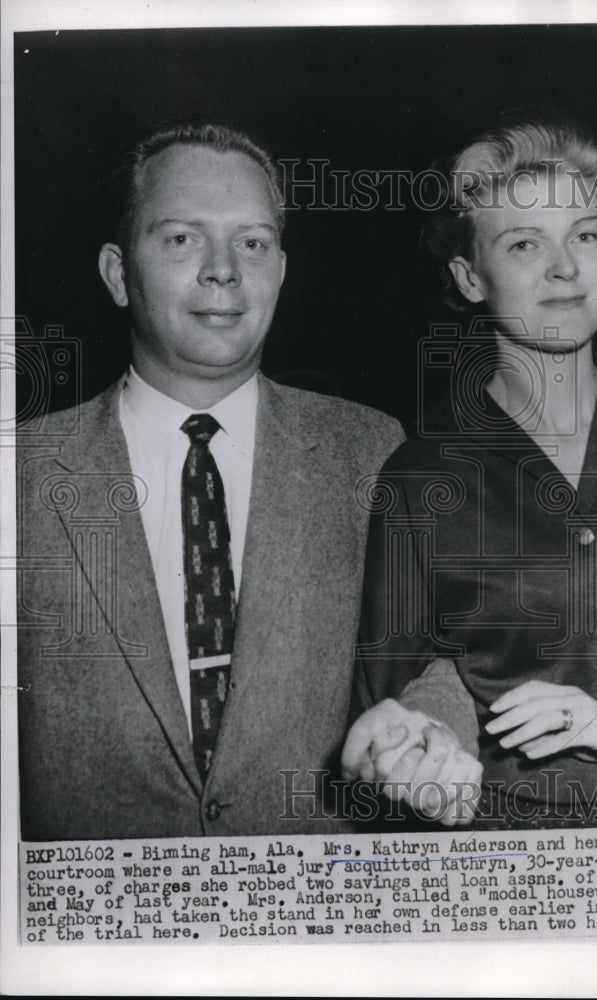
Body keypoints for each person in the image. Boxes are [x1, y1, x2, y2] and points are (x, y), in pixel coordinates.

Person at [16, 118, 477, 840]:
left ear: (281, 272)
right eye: (181, 238)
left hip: (314, 915)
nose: (223, 269)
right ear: (116, 273)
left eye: (253, 242)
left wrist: (431, 733)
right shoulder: (20, 475)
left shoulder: (369, 450)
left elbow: (439, 658)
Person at [347, 106, 597, 827]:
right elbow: (394, 702)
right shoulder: (420, 473)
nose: (566, 268)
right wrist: (417, 751)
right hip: (520, 833)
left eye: (586, 235)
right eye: (523, 245)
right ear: (469, 276)